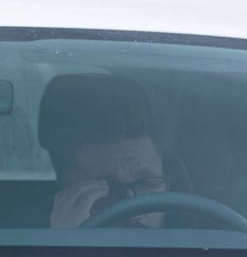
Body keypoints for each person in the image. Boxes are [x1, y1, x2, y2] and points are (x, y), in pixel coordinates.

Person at [45, 76, 169, 229]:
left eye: (146, 183)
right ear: (65, 191)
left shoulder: (203, 237)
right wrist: (65, 244)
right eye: (109, 188)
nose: (134, 212)